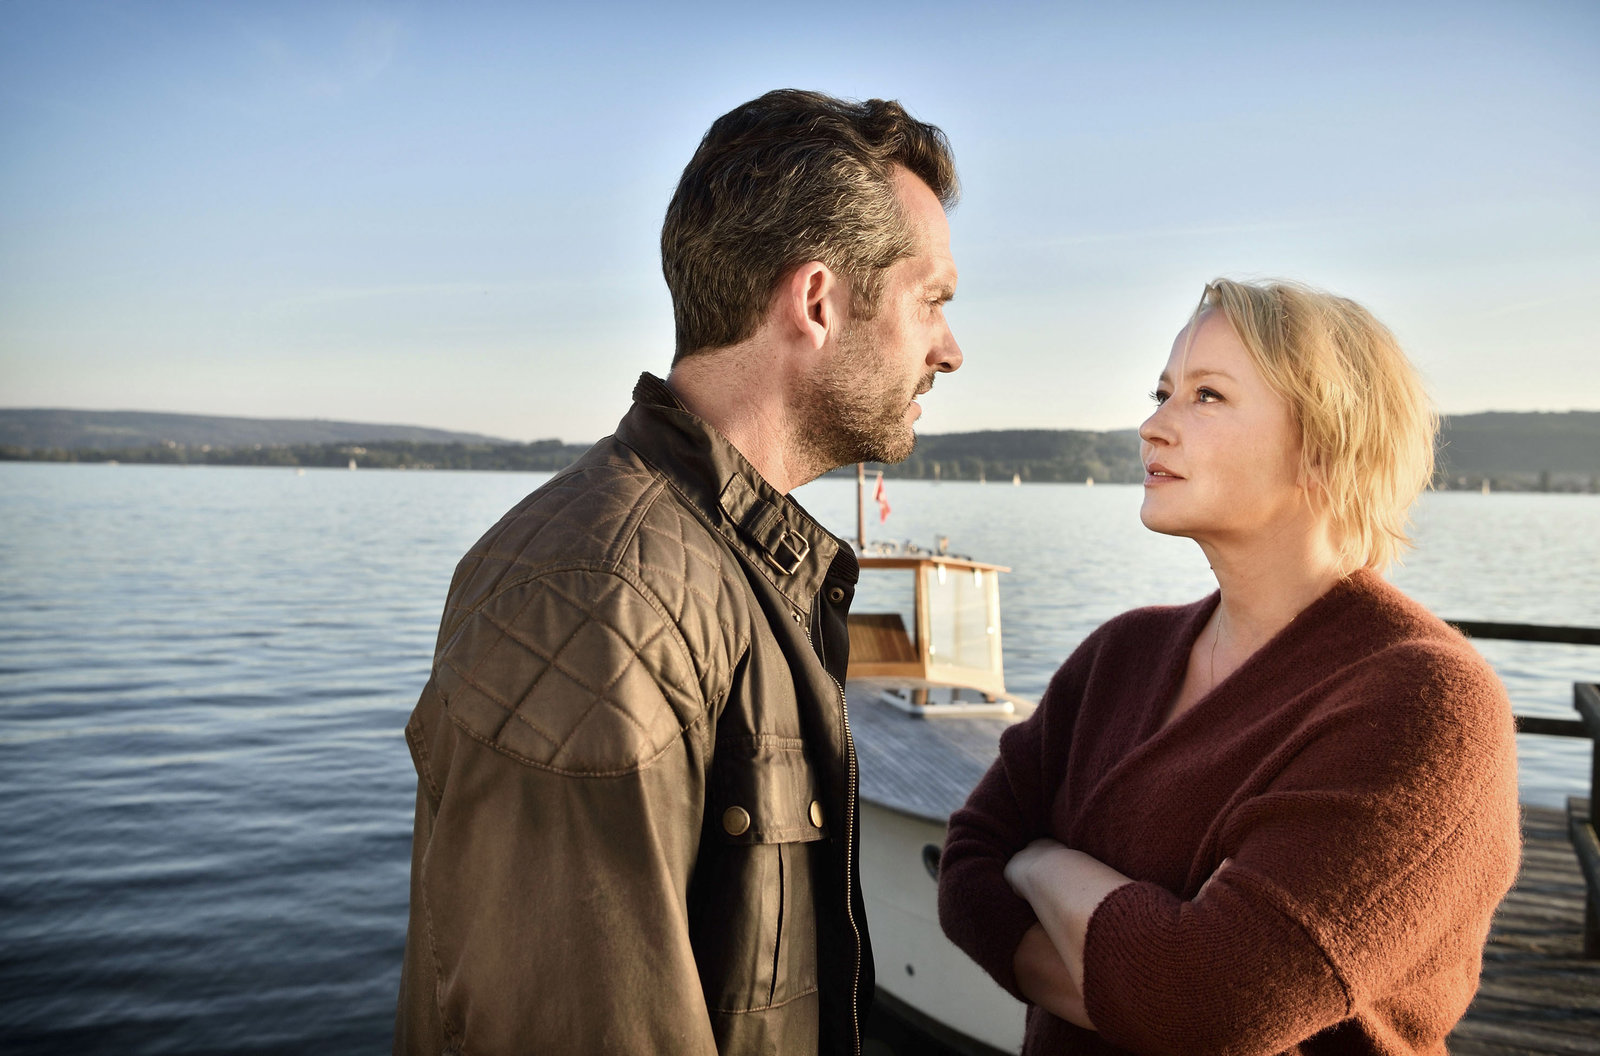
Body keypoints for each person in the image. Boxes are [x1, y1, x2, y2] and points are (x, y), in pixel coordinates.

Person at [394, 89, 962, 1055]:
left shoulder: (727, 571)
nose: (951, 349)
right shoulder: (595, 597)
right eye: (933, 300)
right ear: (817, 302)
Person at [938, 278, 1520, 1055]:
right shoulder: (1119, 655)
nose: (1152, 426)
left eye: (1207, 396)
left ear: (1324, 444)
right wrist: (1151, 986)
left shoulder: (1423, 700)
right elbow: (967, 872)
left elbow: (1215, 1002)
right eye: (1162, 393)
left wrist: (1041, 861)